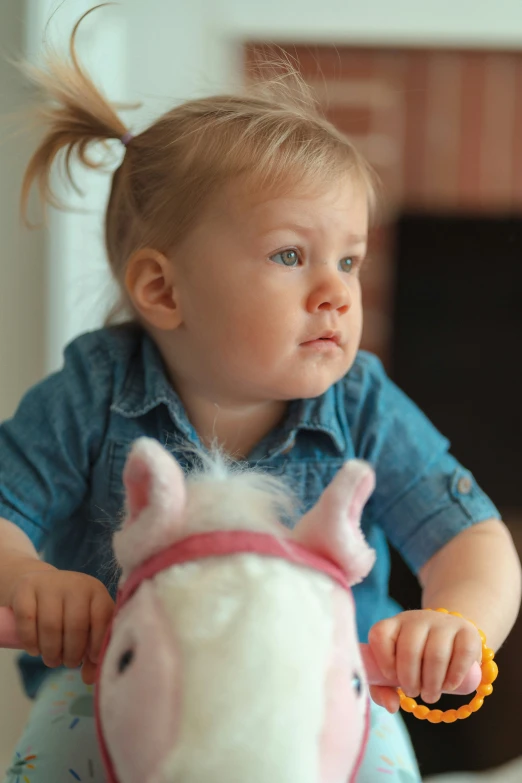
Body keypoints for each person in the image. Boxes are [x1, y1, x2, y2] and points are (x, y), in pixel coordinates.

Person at [1, 11, 520, 783]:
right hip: (119, 686)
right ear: (162, 287)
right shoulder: (93, 392)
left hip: (327, 691)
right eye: (290, 254)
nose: (337, 293)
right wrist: (33, 580)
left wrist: (455, 624)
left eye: (349, 260)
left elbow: (472, 541)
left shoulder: (363, 402)